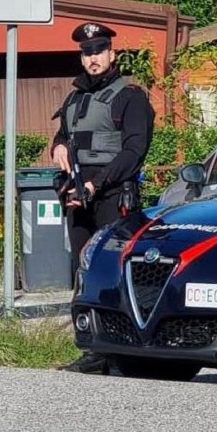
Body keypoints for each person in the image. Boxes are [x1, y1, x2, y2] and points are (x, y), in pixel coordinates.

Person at [51, 21, 155, 374]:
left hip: (113, 197)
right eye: (86, 52)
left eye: (98, 51)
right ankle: (94, 349)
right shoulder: (76, 97)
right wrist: (59, 147)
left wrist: (96, 184)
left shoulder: (131, 96)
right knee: (84, 271)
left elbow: (134, 151)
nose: (93, 58)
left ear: (113, 54)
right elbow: (63, 135)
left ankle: (127, 350)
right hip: (78, 196)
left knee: (114, 273)